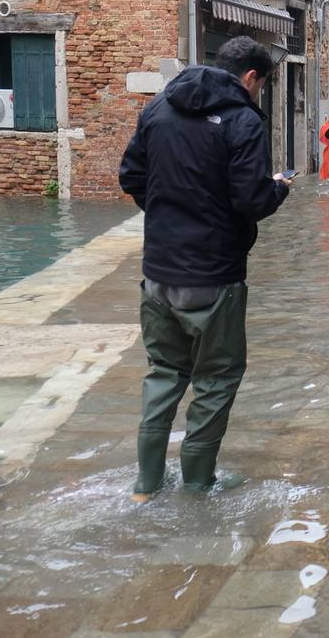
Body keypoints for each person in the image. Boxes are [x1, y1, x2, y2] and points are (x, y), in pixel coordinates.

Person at [117, 36, 291, 501]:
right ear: (250, 78)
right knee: (215, 379)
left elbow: (131, 177)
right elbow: (251, 200)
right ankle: (197, 480)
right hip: (214, 277)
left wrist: (170, 211)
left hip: (158, 273)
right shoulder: (241, 120)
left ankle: (146, 483)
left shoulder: (157, 108)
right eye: (259, 86)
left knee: (163, 372)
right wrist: (279, 188)